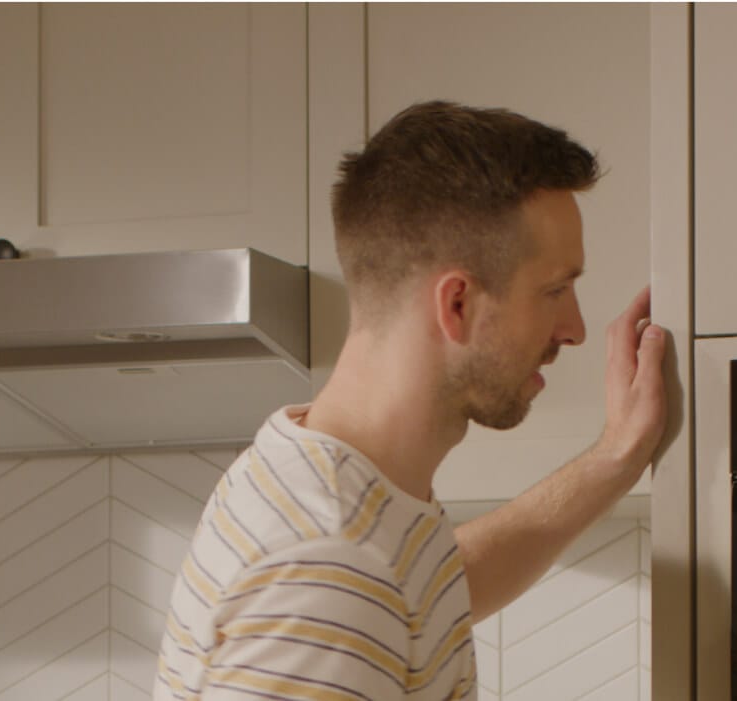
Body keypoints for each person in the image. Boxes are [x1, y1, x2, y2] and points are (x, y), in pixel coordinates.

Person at [152, 101, 670, 700]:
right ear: (456, 305)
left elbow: (439, 583)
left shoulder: (338, 490)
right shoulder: (329, 570)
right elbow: (359, 593)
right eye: (554, 290)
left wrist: (616, 457)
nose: (575, 328)